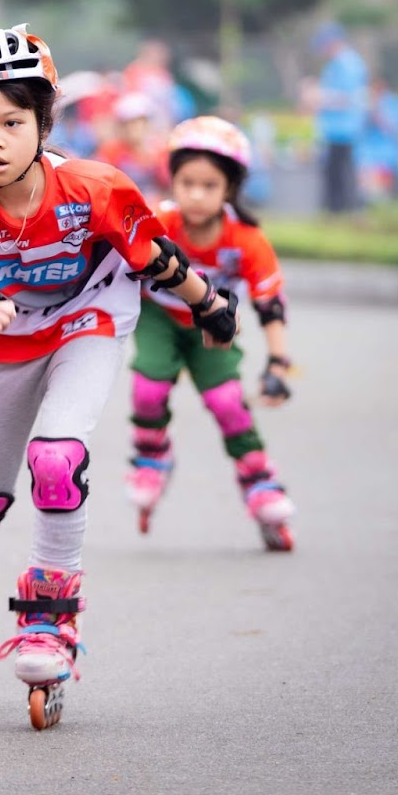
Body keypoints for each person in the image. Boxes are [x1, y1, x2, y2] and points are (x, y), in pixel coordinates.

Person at [0, 25, 239, 730]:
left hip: (88, 317)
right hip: (4, 337)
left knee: (57, 457)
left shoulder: (94, 186)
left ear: (43, 123)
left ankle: (49, 619)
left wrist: (211, 305)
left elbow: (158, 259)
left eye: (12, 121)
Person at [125, 116, 295, 550]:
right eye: (187, 183)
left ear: (229, 190)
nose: (196, 196)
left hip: (212, 327)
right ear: (173, 181)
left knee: (227, 403)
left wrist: (277, 362)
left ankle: (260, 481)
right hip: (159, 316)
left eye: (209, 186)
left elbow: (269, 303)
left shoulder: (247, 239)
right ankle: (152, 454)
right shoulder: (159, 221)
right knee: (148, 385)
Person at [308, 21, 367, 214]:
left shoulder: (349, 64)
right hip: (333, 131)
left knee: (344, 178)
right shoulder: (334, 65)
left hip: (345, 130)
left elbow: (348, 98)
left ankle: (347, 213)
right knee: (332, 176)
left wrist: (320, 96)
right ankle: (333, 212)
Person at [92, 92, 169, 202]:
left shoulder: (158, 149)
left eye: (140, 122)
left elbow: (166, 182)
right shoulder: (110, 151)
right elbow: (100, 183)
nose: (136, 128)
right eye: (130, 124)